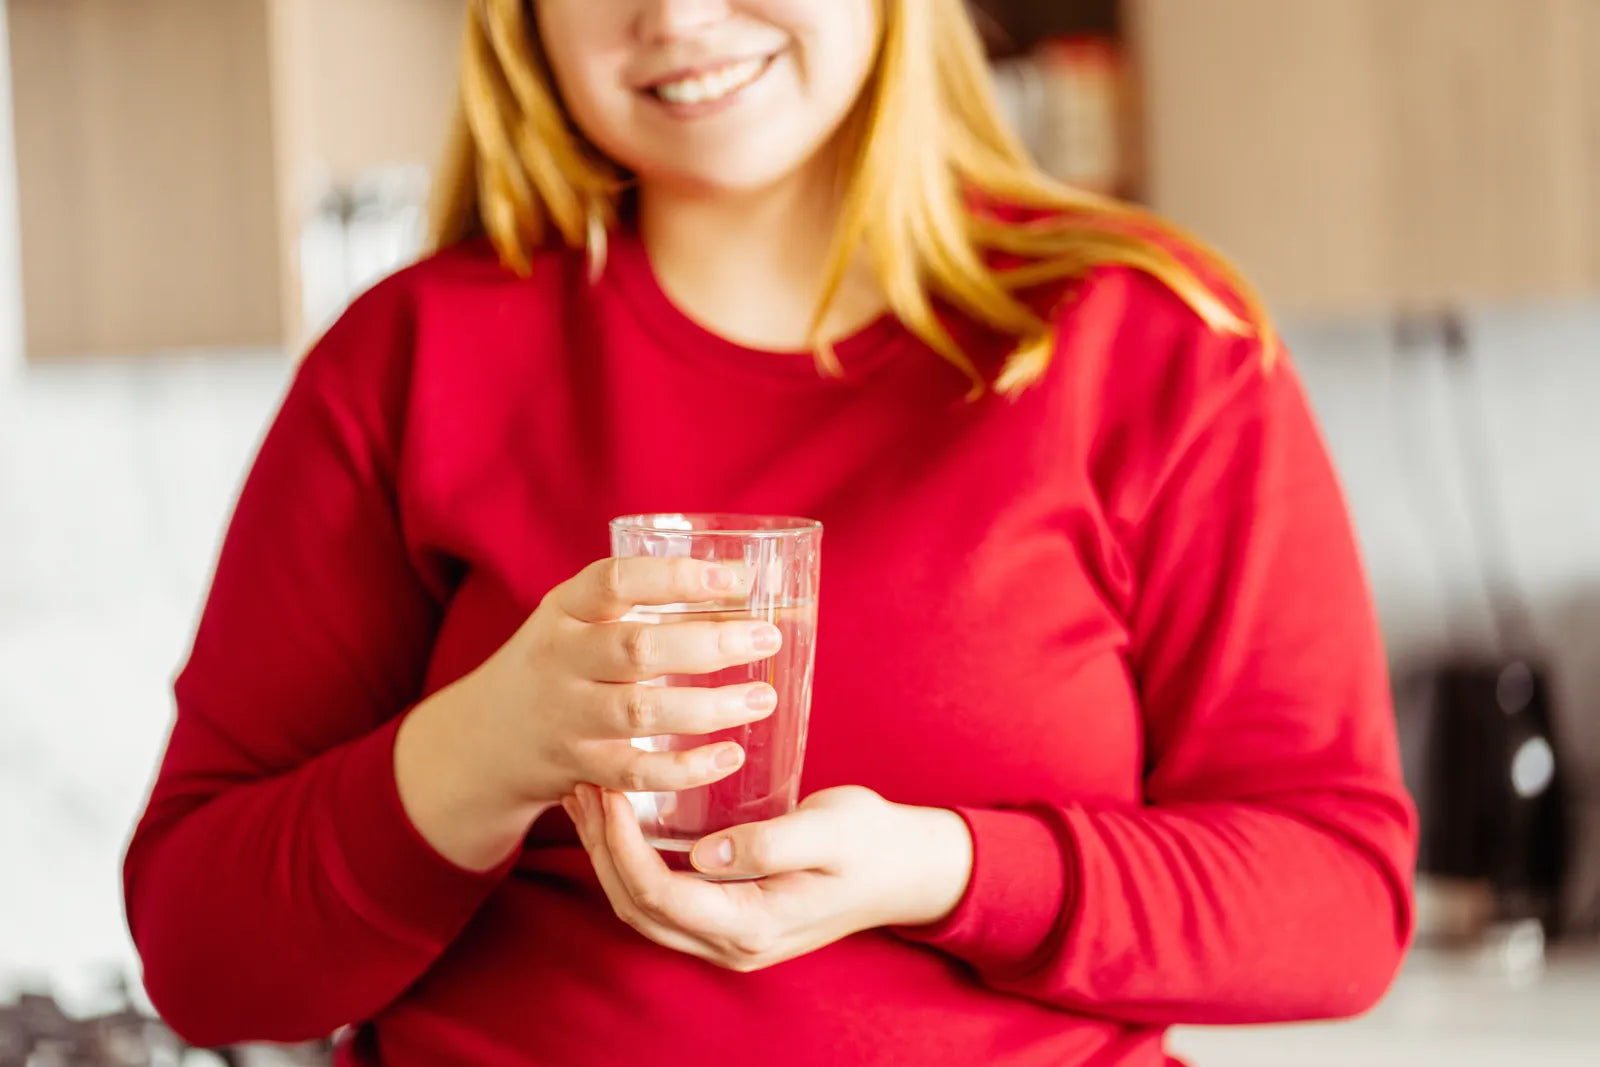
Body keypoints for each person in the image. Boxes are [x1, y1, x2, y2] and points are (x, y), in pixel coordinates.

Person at [123, 1, 1417, 1064]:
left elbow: (1340, 903)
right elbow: (203, 958)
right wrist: (487, 741)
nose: (676, 16)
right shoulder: (406, 364)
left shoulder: (1155, 348)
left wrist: (948, 868)